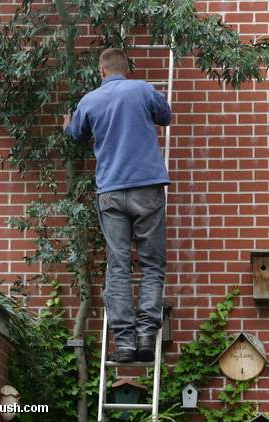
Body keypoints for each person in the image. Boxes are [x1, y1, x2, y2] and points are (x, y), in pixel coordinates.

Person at [63, 48, 172, 362]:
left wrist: (67, 124)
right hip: (147, 188)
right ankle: (146, 338)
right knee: (152, 266)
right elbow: (165, 116)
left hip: (111, 192)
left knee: (118, 267)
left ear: (101, 71)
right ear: (127, 69)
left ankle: (124, 344)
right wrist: (158, 97)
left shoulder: (90, 100)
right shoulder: (142, 90)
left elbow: (77, 135)